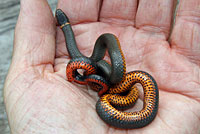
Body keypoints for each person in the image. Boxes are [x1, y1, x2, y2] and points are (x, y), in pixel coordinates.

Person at [3, 0, 200, 133]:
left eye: (62, 18)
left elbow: (111, 77)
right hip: (107, 89)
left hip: (110, 89)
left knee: (117, 72)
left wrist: (103, 83)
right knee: (107, 70)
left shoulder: (107, 78)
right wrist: (97, 82)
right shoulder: (98, 73)